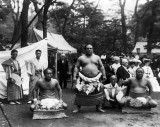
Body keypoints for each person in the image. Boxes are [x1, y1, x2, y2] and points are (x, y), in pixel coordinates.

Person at [73, 44, 106, 113]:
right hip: (84, 78)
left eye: (90, 48)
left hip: (96, 78)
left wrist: (104, 75)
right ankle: (78, 108)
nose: (89, 49)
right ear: (85, 49)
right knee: (80, 91)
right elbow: (76, 67)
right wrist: (74, 76)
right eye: (87, 48)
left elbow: (101, 67)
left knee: (99, 91)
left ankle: (99, 107)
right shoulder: (81, 58)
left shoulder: (97, 57)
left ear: (93, 49)